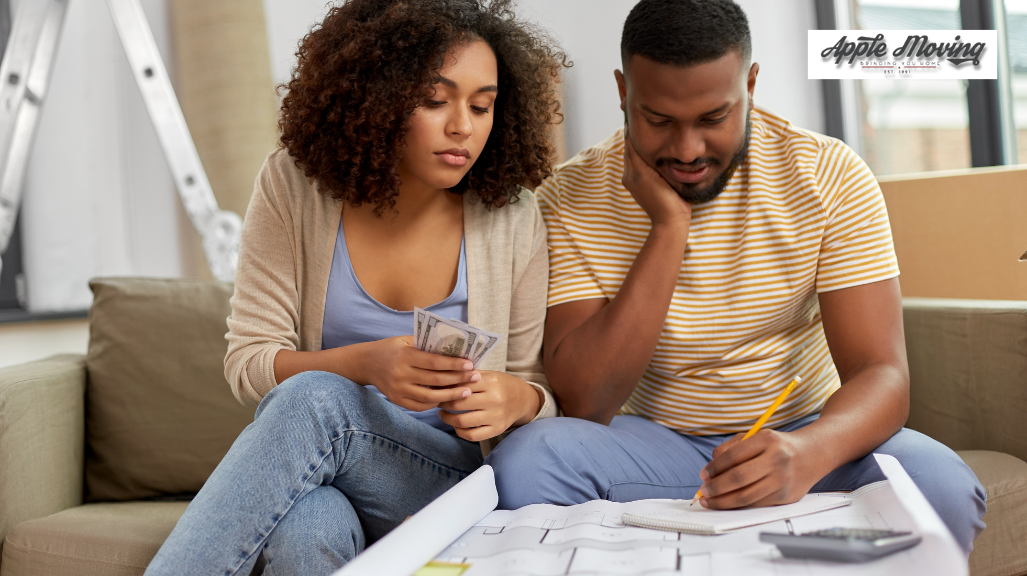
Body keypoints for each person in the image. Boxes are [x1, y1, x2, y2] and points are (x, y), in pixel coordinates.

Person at [485, 0, 986, 555]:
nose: (687, 150)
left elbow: (882, 372)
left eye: (712, 118)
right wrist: (669, 228)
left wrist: (809, 452)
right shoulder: (570, 196)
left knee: (942, 485)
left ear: (750, 83)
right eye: (659, 121)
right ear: (624, 92)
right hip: (653, 443)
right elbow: (585, 402)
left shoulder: (829, 174)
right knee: (525, 464)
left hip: (805, 430)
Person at [145, 1, 566, 574]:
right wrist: (367, 365)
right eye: (435, 100)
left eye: (482, 105)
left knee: (316, 400)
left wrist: (518, 400)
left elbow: (537, 386)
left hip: (443, 483)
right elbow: (249, 362)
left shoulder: (511, 215)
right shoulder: (294, 186)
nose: (462, 126)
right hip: (328, 472)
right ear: (377, 97)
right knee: (305, 527)